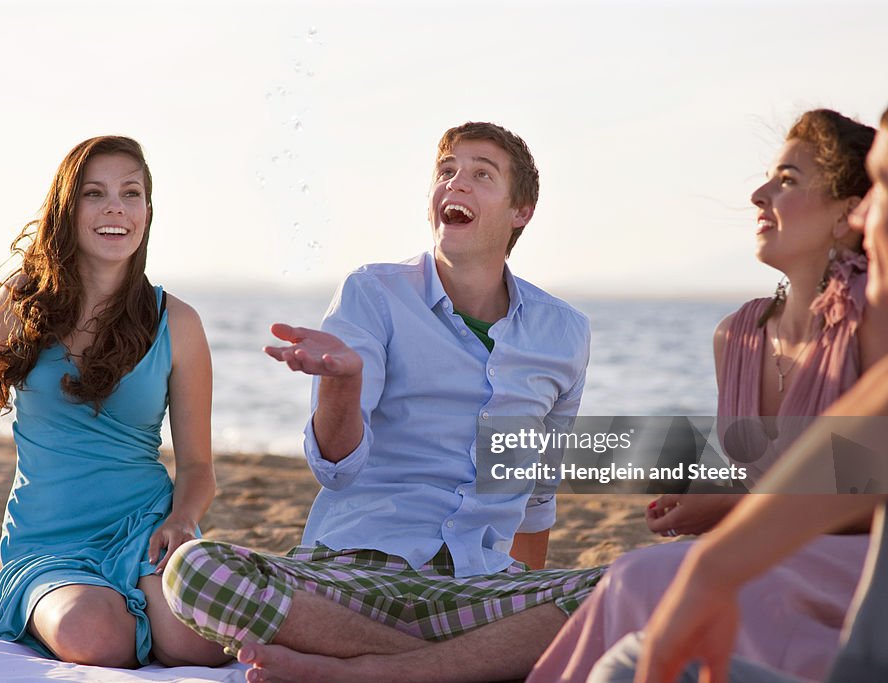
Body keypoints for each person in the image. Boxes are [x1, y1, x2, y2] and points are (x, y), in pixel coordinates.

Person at [162, 122, 605, 683]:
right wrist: (343, 382)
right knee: (195, 572)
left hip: (477, 585)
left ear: (522, 211)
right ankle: (439, 670)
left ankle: (373, 670)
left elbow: (537, 496)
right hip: (355, 580)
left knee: (638, 584)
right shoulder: (373, 294)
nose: (456, 184)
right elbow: (335, 468)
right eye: (446, 172)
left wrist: (516, 600)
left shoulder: (563, 332)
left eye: (480, 175)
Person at [529, 109, 883, 682]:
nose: (758, 194)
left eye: (788, 180)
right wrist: (708, 496)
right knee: (637, 575)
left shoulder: (869, 314)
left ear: (849, 211)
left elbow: (870, 495)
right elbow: (756, 477)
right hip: (773, 554)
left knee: (640, 579)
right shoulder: (737, 336)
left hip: (858, 568)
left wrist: (736, 510)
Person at [0, 136, 229, 669]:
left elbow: (198, 466)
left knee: (200, 645)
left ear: (147, 211)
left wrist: (182, 519)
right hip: (49, 541)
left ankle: (152, 609)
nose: (115, 209)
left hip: (148, 528)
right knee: (96, 637)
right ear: (67, 208)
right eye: (93, 193)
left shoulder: (180, 323)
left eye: (131, 194)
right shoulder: (19, 308)